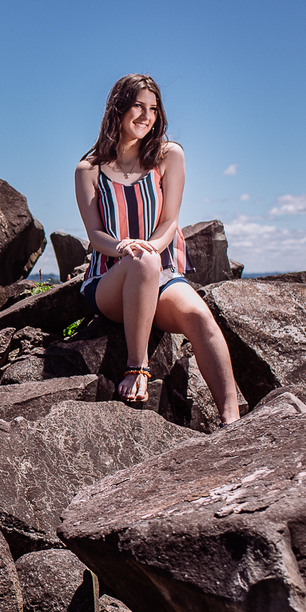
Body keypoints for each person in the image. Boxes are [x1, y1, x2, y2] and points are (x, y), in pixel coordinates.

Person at [74, 74, 240, 425]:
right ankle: (137, 367)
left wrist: (149, 249)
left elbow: (169, 222)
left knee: (198, 316)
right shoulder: (89, 170)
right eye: (138, 106)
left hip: (161, 273)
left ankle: (233, 419)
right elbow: (95, 235)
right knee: (142, 262)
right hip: (110, 280)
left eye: (153, 108)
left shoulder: (168, 156)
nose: (146, 115)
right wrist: (123, 247)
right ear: (117, 109)